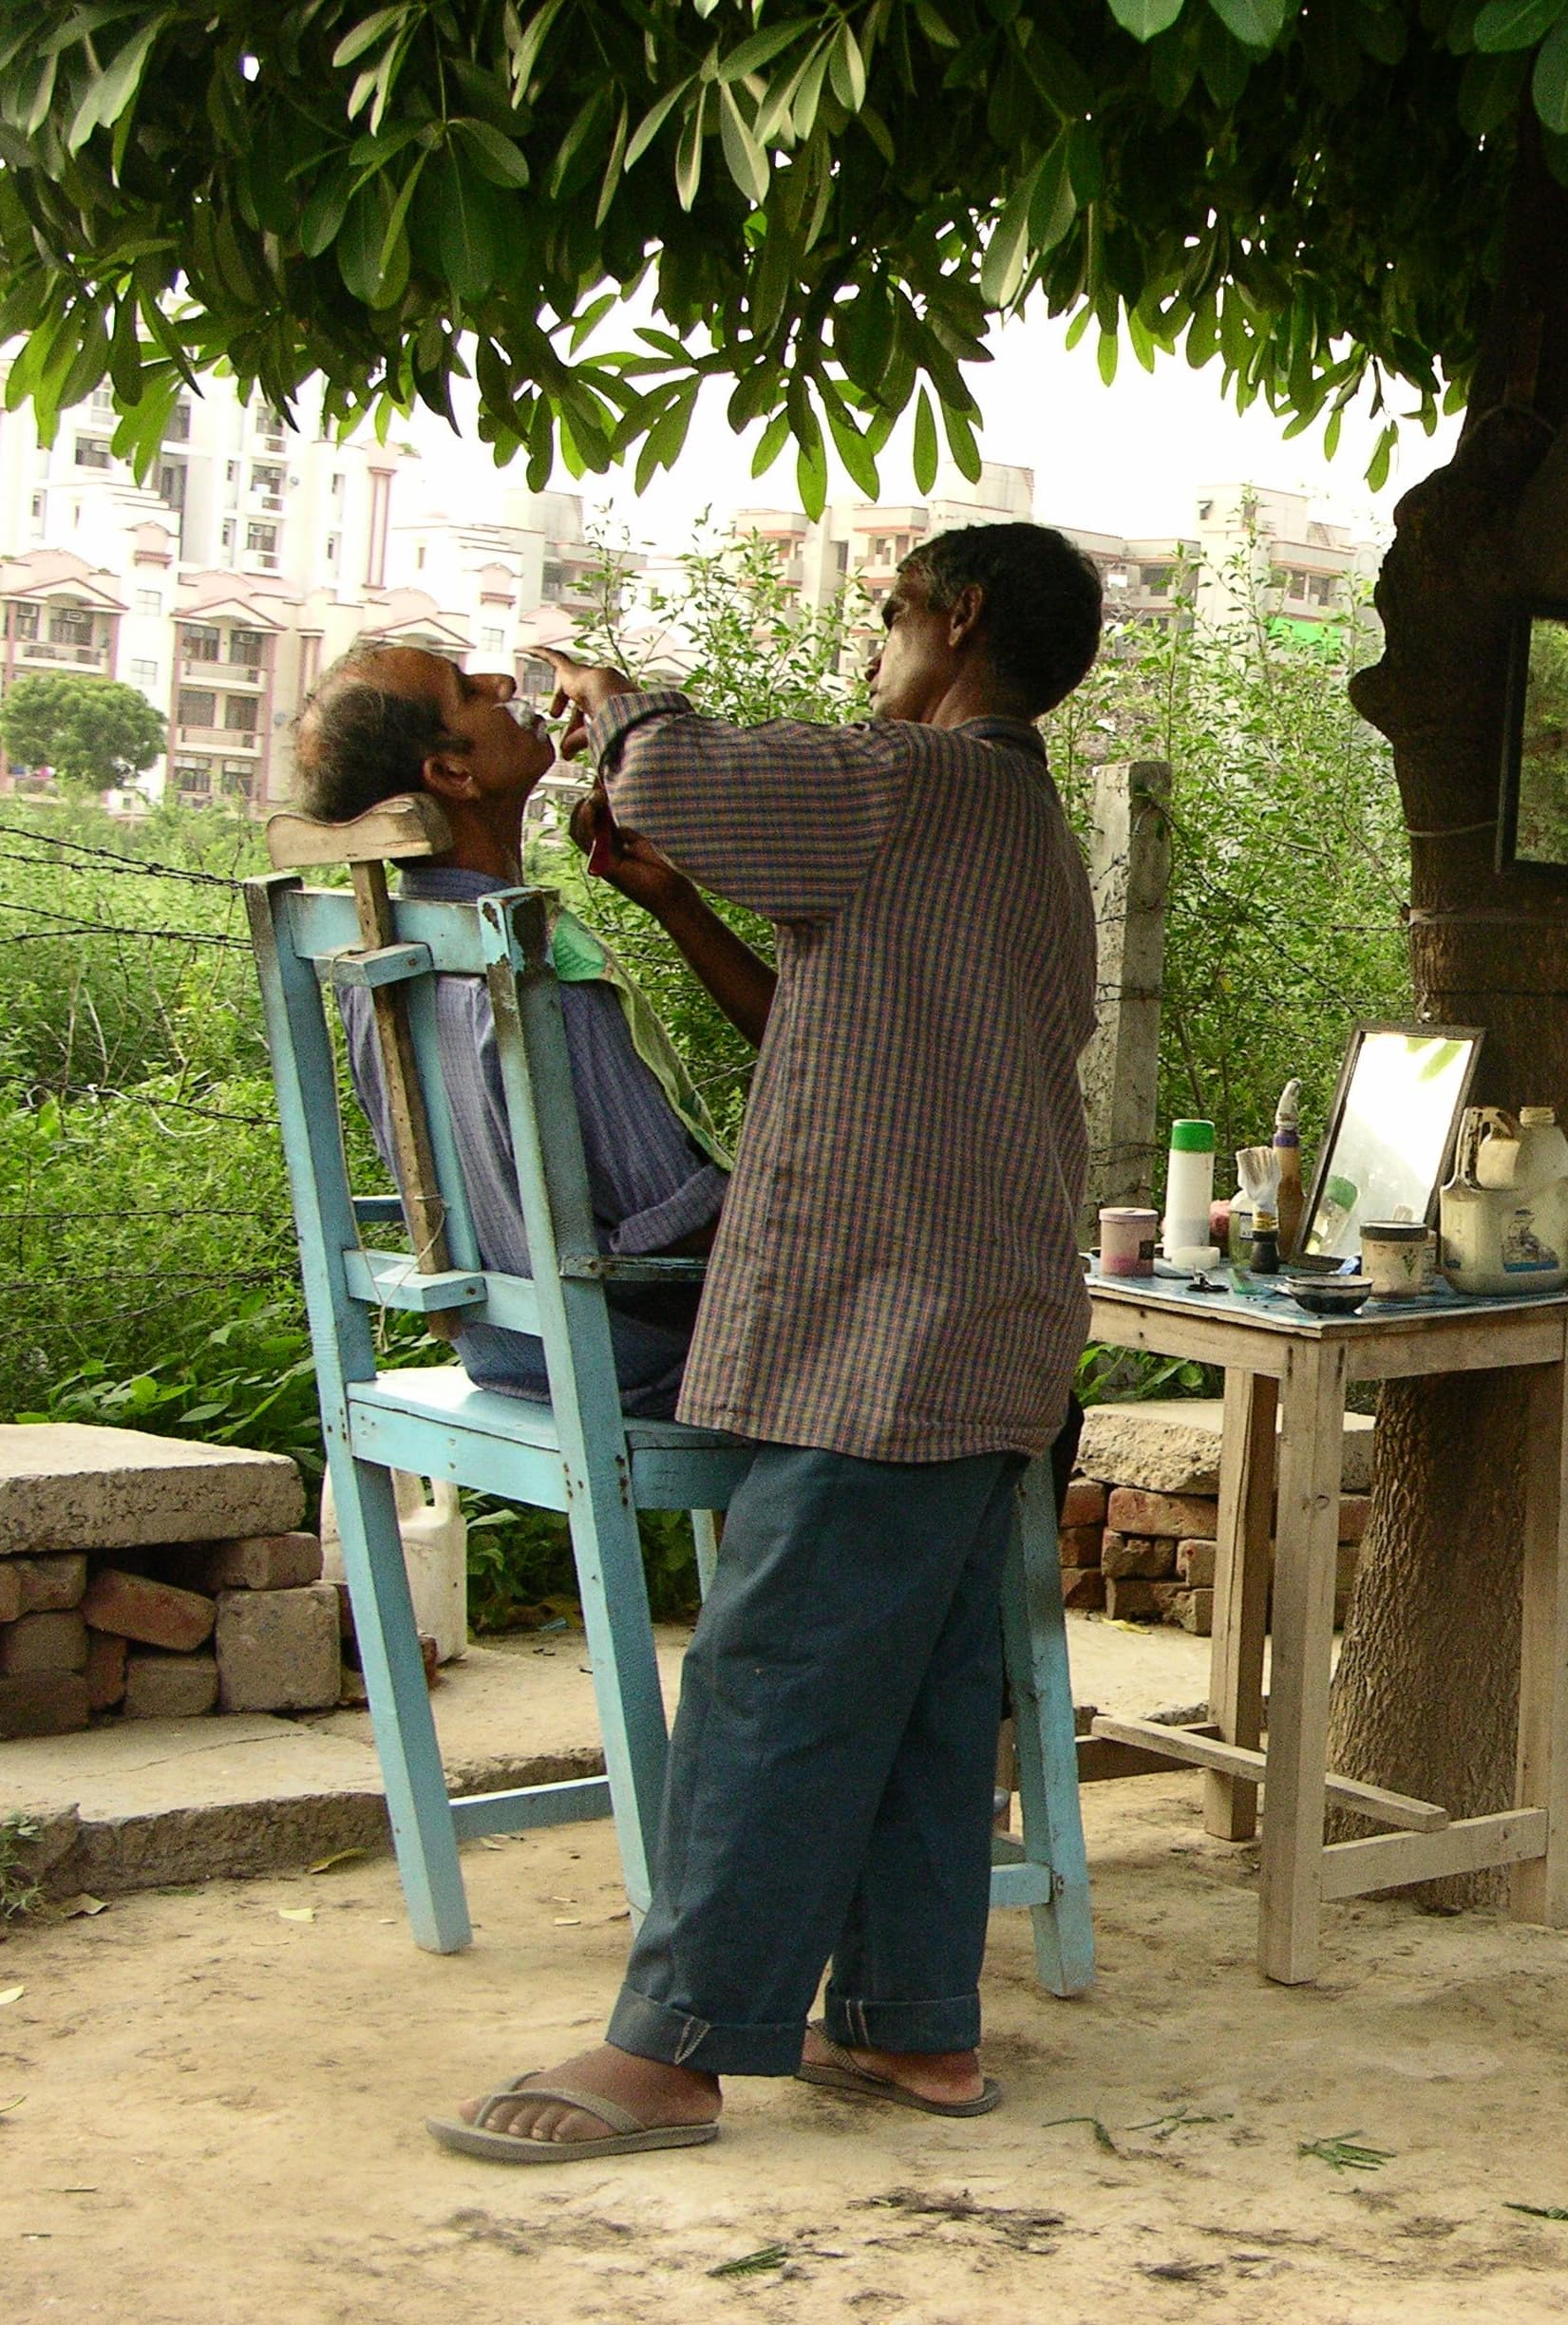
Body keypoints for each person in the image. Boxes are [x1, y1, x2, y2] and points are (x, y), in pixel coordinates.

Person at [428, 520, 1105, 2163]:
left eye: (886, 616)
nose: (872, 651)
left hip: (899, 1311)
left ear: (957, 619)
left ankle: (673, 2048)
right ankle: (911, 2029)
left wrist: (614, 700)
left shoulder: (912, 780)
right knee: (929, 1687)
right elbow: (811, 1024)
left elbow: (672, 778)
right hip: (981, 1307)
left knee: (778, 1665)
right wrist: (670, 910)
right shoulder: (1011, 827)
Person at [297, 646, 774, 1416]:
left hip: (505, 1350)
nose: (503, 685)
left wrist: (675, 902)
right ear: (453, 776)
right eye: (465, 691)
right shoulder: (530, 961)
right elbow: (673, 1228)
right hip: (638, 1356)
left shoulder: (384, 956)